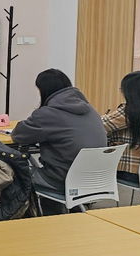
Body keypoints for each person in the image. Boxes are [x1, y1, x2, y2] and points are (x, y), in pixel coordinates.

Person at [11, 68, 106, 197]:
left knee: (9, 173)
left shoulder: (48, 114)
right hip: (95, 180)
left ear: (43, 90)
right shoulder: (90, 110)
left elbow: (18, 134)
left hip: (61, 181)